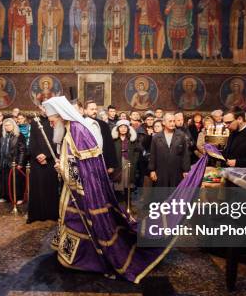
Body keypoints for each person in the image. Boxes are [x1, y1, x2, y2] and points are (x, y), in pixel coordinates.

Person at [42, 96, 182, 283]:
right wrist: (63, 164)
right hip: (75, 190)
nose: (51, 123)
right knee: (73, 220)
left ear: (61, 116)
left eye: (52, 119)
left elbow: (86, 167)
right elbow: (76, 161)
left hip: (85, 190)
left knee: (82, 221)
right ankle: (72, 255)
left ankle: (85, 259)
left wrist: (63, 169)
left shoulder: (77, 130)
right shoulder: (70, 129)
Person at [27, 106, 60, 222]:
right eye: (43, 107)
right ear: (40, 108)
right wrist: (37, 155)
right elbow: (32, 141)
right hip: (36, 161)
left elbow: (57, 141)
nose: (45, 110)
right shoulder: (35, 122)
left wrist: (47, 155)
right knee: (37, 187)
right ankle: (37, 214)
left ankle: (51, 213)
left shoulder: (56, 121)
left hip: (50, 160)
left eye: (48, 108)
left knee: (50, 187)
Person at [148, 113, 191, 187]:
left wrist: (186, 170)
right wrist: (152, 170)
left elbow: (185, 154)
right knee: (162, 194)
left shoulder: (181, 135)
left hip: (177, 171)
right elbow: (153, 155)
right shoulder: (156, 137)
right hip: (161, 171)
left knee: (175, 195)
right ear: (164, 122)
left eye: (174, 121)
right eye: (170, 121)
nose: (172, 123)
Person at [0, 118, 26, 204]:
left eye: (9, 125)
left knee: (16, 182)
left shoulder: (19, 135)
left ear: (13, 125)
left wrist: (20, 163)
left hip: (15, 163)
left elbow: (22, 151)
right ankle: (5, 197)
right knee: (5, 181)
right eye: (5, 125)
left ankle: (19, 198)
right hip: (4, 162)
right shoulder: (3, 136)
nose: (7, 127)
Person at [84, 101, 118, 176]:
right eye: (92, 109)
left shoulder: (103, 125)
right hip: (86, 163)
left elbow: (110, 145)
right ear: (85, 110)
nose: (94, 111)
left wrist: (111, 165)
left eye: (96, 109)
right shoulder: (81, 125)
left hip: (102, 161)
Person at [112, 120, 141, 201]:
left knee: (128, 182)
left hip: (129, 162)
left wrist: (134, 161)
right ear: (118, 129)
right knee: (118, 182)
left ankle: (128, 202)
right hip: (118, 162)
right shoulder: (114, 140)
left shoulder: (132, 139)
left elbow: (137, 151)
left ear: (128, 129)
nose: (123, 129)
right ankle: (118, 203)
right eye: (121, 127)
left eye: (125, 127)